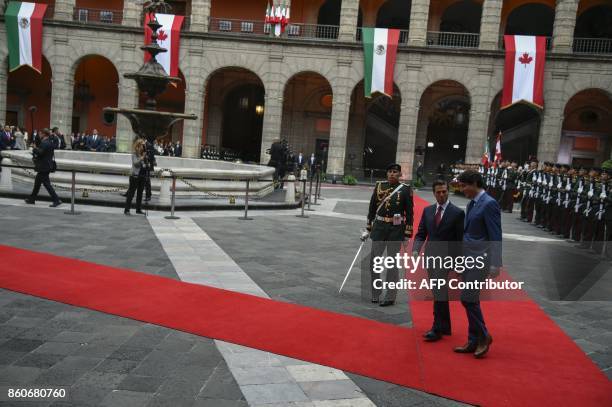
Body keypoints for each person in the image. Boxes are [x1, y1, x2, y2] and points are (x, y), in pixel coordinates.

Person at [455, 170, 502, 358]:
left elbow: (495, 235)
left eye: (464, 186)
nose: (462, 189)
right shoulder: (471, 204)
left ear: (475, 183)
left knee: (468, 298)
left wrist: (495, 264)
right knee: (468, 299)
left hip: (481, 260)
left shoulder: (490, 204)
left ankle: (483, 336)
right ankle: (473, 339)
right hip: (468, 258)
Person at [413, 179, 464, 342]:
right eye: (438, 192)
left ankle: (437, 328)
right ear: (433, 193)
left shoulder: (457, 213)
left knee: (439, 291)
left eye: (444, 191)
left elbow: (460, 240)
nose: (441, 195)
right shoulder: (428, 211)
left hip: (447, 258)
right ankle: (445, 326)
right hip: (430, 257)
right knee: (438, 292)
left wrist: (459, 264)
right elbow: (421, 233)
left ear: (448, 191)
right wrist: (416, 249)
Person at [367, 163, 414, 306]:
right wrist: (369, 224)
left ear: (400, 175)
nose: (392, 174)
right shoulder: (379, 186)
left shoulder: (405, 190)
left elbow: (410, 212)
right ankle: (376, 291)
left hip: (396, 229)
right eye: (390, 172)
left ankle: (390, 295)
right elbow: (372, 206)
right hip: (380, 227)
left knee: (392, 264)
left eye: (395, 172)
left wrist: (407, 232)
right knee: (374, 262)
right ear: (386, 174)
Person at [25, 128, 62, 207]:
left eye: (40, 133)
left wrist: (34, 148)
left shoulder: (45, 143)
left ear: (43, 134)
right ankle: (32, 199)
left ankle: (56, 200)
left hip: (44, 167)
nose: (39, 135)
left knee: (47, 184)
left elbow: (40, 153)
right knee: (37, 183)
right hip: (46, 166)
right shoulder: (49, 142)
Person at [124, 139, 147, 216]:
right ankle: (127, 210)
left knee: (140, 193)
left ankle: (138, 209)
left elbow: (145, 164)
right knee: (131, 193)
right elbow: (135, 163)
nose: (144, 147)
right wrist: (142, 158)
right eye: (142, 145)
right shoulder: (135, 153)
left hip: (142, 175)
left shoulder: (143, 153)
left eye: (144, 145)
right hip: (135, 175)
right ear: (138, 145)